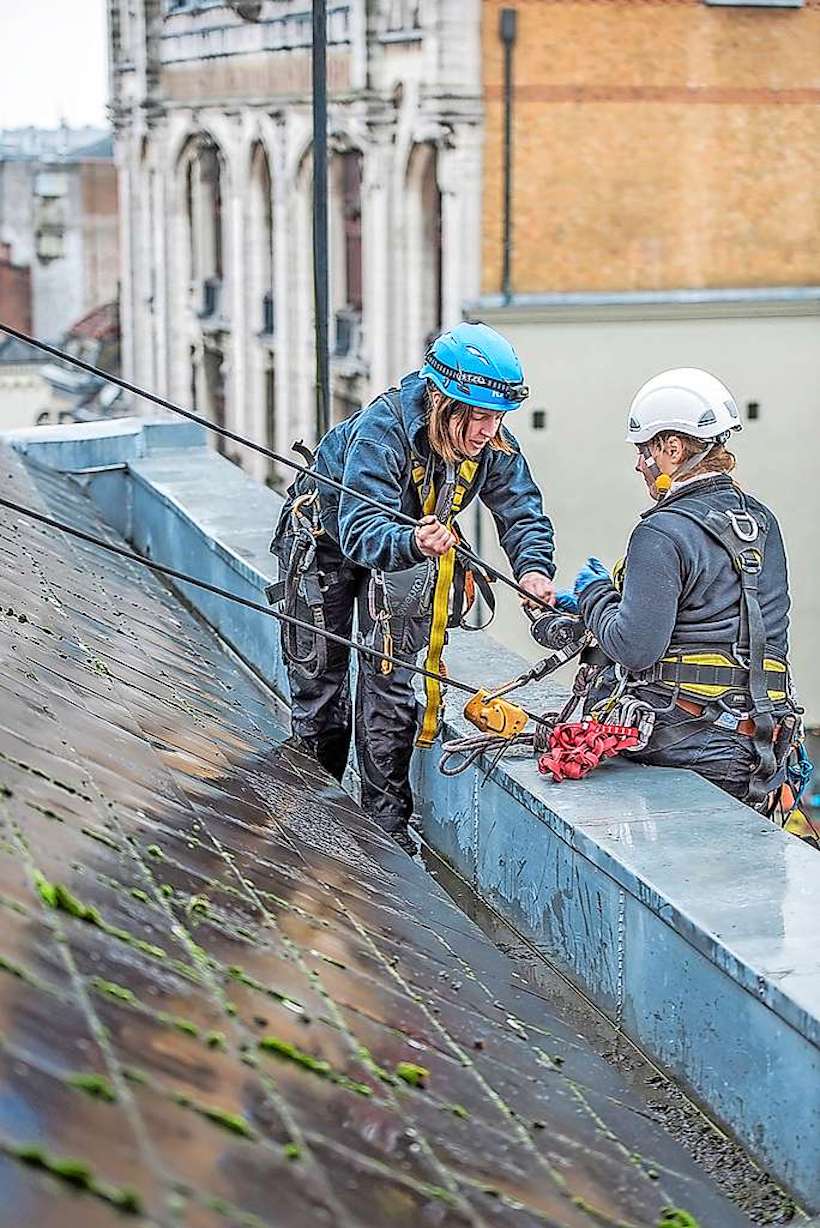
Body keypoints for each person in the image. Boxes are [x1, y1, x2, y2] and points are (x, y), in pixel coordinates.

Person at [271, 322, 556, 847]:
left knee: (393, 681)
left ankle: (384, 831)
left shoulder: (491, 441)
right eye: (479, 418)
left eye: (497, 418)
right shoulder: (383, 431)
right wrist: (414, 542)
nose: (489, 432)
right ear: (443, 403)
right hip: (327, 545)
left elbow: (520, 508)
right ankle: (311, 816)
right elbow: (360, 528)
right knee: (322, 684)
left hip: (409, 549)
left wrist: (534, 571)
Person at [559, 367, 812, 831]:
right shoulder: (761, 522)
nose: (639, 464)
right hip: (758, 743)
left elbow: (634, 647)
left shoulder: (660, 532)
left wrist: (592, 596)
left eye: (645, 450)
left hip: (688, 740)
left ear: (672, 449)